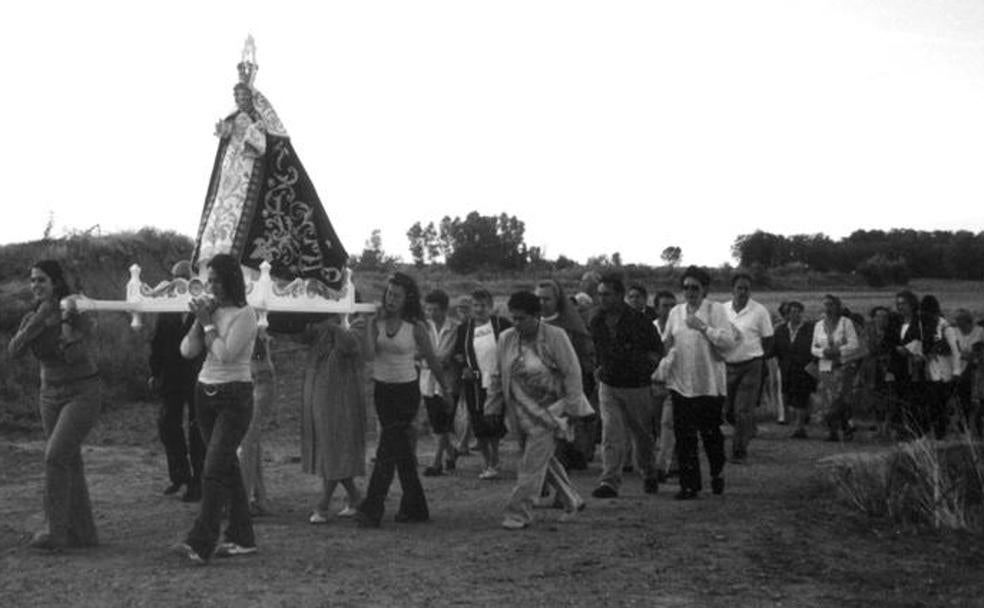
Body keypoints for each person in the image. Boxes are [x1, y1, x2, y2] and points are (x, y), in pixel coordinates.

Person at [191, 38, 348, 291]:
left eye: (243, 95)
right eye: (236, 95)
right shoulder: (234, 115)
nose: (239, 99)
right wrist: (225, 131)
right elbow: (226, 142)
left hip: (251, 179)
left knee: (243, 234)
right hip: (230, 179)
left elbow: (265, 145)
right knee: (220, 227)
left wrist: (248, 135)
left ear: (251, 98)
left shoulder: (261, 118)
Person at [172, 253, 258, 564]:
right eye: (209, 281)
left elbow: (225, 354)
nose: (212, 287)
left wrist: (208, 324)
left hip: (235, 397)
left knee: (212, 470)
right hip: (204, 394)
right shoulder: (211, 313)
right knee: (226, 469)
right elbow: (186, 351)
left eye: (217, 281)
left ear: (231, 281)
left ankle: (200, 541)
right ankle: (242, 537)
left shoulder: (245, 315)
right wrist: (200, 321)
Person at [9, 260, 101, 551]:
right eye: (33, 280)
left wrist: (62, 322)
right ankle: (83, 534)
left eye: (42, 280)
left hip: (82, 391)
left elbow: (76, 356)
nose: (35, 285)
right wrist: (40, 320)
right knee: (68, 460)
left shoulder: (75, 313)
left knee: (55, 456)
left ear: (56, 283)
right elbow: (14, 350)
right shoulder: (32, 316)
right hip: (49, 394)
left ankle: (55, 532)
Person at [484, 292, 592, 530]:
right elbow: (497, 374)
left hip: (553, 412)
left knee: (531, 465)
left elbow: (572, 373)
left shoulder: (556, 337)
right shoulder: (506, 338)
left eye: (521, 318)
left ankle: (518, 513)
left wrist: (573, 409)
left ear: (536, 316)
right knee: (542, 460)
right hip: (520, 412)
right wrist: (491, 406)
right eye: (513, 318)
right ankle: (572, 500)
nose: (516, 323)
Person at [355, 273, 451, 527]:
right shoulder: (378, 323)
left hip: (406, 391)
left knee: (387, 449)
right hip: (382, 391)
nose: (390, 299)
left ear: (407, 298)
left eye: (396, 295)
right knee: (401, 452)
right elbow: (367, 355)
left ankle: (372, 508)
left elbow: (432, 360)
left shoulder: (416, 327)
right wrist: (368, 324)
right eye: (388, 293)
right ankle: (415, 507)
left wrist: (446, 390)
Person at [656, 266, 739, 500]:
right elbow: (668, 342)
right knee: (684, 437)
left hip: (709, 385)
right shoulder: (675, 313)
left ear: (704, 290)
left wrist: (703, 327)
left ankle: (716, 472)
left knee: (711, 434)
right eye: (686, 288)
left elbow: (728, 343)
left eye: (695, 288)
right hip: (681, 384)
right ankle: (689, 485)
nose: (690, 292)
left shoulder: (715, 310)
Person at [589, 273, 662, 499]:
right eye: (599, 294)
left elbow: (656, 351)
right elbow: (597, 349)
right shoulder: (596, 321)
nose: (602, 299)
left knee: (642, 436)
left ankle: (649, 472)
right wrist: (599, 366)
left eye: (607, 294)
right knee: (611, 433)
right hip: (609, 384)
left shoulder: (640, 322)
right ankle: (609, 481)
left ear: (619, 295)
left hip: (636, 386)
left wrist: (643, 369)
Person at [299, 314, 367, 524]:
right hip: (319, 396)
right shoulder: (319, 328)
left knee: (333, 448)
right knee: (329, 448)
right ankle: (355, 497)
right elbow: (302, 336)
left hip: (342, 397)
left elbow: (351, 345)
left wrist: (332, 326)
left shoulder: (358, 323)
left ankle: (323, 504)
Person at [148, 260, 205, 502]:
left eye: (182, 276)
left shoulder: (202, 305)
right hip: (171, 375)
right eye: (174, 277)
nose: (178, 282)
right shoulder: (167, 307)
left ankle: (198, 482)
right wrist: (154, 372)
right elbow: (157, 342)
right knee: (167, 425)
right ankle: (179, 474)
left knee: (196, 429)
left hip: (196, 375)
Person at [536, 279, 596, 469]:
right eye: (538, 298)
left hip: (564, 388)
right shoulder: (531, 323)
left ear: (557, 300)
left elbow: (582, 356)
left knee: (561, 438)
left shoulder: (569, 324)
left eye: (547, 299)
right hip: (538, 390)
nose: (542, 303)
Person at [453, 289, 512, 480]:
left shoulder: (501, 325)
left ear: (491, 306)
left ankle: (495, 458)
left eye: (483, 306)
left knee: (494, 421)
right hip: (475, 383)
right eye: (475, 305)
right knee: (478, 422)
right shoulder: (465, 328)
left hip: (497, 381)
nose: (479, 310)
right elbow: (458, 353)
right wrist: (463, 367)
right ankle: (486, 462)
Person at [723, 273, 774, 463]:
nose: (743, 292)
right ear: (732, 289)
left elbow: (769, 340)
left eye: (746, 288)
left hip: (751, 366)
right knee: (727, 410)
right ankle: (747, 428)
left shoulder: (759, 311)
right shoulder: (722, 310)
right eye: (739, 288)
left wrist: (758, 357)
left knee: (743, 409)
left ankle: (739, 450)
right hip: (727, 365)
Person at [420, 289, 461, 476]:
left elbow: (447, 357)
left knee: (441, 423)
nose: (431, 313)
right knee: (437, 422)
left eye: (435, 309)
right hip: (428, 382)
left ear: (445, 310)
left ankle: (437, 462)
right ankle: (451, 454)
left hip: (449, 382)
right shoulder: (423, 328)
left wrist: (429, 359)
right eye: (428, 309)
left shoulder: (456, 328)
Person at [811, 295, 860, 442]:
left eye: (831, 304)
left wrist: (838, 351)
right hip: (826, 366)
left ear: (838, 306)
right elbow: (813, 347)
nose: (828, 307)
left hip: (843, 365)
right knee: (826, 399)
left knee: (839, 398)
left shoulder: (846, 323)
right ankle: (834, 430)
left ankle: (845, 426)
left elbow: (854, 344)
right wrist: (823, 352)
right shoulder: (819, 325)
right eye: (825, 304)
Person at [238, 329, 274, 516]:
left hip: (258, 377)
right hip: (249, 378)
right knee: (251, 442)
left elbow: (257, 351)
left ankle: (243, 501)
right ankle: (259, 498)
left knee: (248, 442)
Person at [773, 301, 817, 439]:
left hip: (804, 369)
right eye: (792, 312)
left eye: (798, 312)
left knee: (801, 397)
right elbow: (774, 348)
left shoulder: (810, 329)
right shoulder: (781, 330)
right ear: (788, 314)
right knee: (789, 397)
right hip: (787, 369)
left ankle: (800, 427)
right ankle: (798, 423)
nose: (795, 315)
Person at [919, 295, 958, 440]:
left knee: (930, 401)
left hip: (931, 366)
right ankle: (939, 431)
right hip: (943, 367)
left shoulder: (925, 324)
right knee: (940, 401)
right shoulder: (943, 323)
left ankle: (930, 430)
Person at [889, 290, 923, 439]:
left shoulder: (920, 322)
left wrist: (911, 349)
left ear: (912, 304)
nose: (900, 307)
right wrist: (896, 348)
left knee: (914, 397)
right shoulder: (895, 322)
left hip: (915, 365)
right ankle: (900, 429)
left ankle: (915, 429)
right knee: (898, 398)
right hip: (898, 364)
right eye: (898, 304)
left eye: (903, 303)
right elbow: (887, 341)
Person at [651, 290, 678, 481]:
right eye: (665, 306)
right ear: (656, 308)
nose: (669, 310)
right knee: (653, 426)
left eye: (672, 306)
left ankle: (663, 466)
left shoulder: (680, 329)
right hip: (651, 383)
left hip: (673, 383)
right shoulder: (649, 329)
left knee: (668, 425)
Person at [953, 309, 984, 437]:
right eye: (956, 321)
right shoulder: (954, 332)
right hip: (958, 371)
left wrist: (972, 356)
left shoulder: (980, 332)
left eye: (959, 320)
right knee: (963, 400)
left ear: (967, 321)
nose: (957, 323)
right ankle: (964, 426)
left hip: (976, 371)